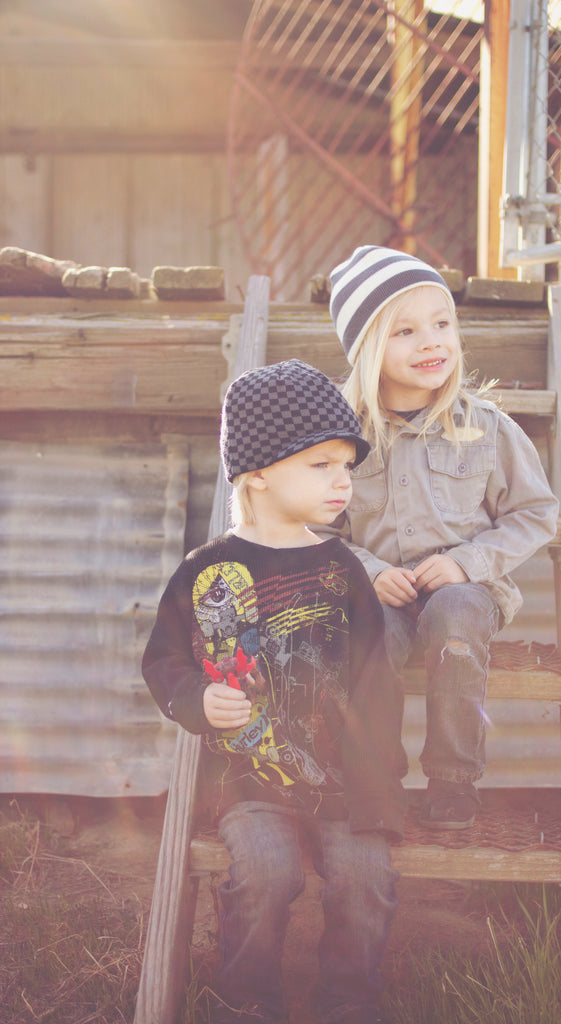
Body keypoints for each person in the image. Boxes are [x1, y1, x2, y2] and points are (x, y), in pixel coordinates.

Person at [142, 359, 405, 1024]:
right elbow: (164, 661)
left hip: (345, 777)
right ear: (257, 472)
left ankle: (350, 1001)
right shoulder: (207, 573)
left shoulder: (342, 567)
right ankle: (245, 1002)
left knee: (365, 878)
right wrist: (197, 699)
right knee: (266, 873)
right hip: (247, 779)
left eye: (346, 464)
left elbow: (377, 676)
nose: (341, 480)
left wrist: (378, 778)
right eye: (320, 464)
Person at [325, 245, 560, 830]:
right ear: (368, 351)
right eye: (406, 331)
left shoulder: (486, 429)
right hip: (384, 594)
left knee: (454, 617)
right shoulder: (341, 439)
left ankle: (453, 781)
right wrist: (369, 572)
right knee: (365, 632)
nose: (432, 341)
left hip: (467, 595)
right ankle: (372, 780)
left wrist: (469, 561)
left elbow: (537, 514)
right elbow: (312, 530)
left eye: (442, 323)